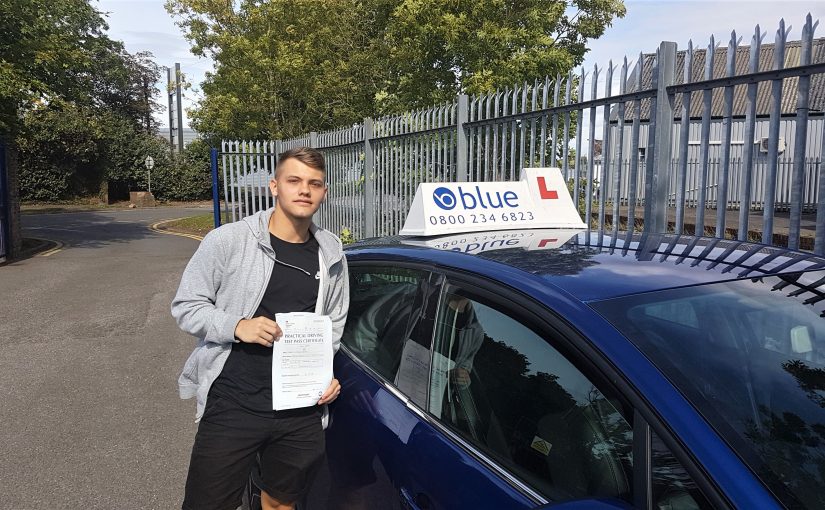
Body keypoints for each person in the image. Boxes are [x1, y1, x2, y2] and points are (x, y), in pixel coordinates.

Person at [171, 146, 349, 510]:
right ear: (274, 186)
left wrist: (323, 375)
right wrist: (238, 326)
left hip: (299, 408)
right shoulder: (229, 241)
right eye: (294, 180)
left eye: (314, 183)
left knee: (281, 504)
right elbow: (186, 307)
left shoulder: (331, 250)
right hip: (234, 401)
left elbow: (333, 324)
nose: (304, 190)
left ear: (324, 192)